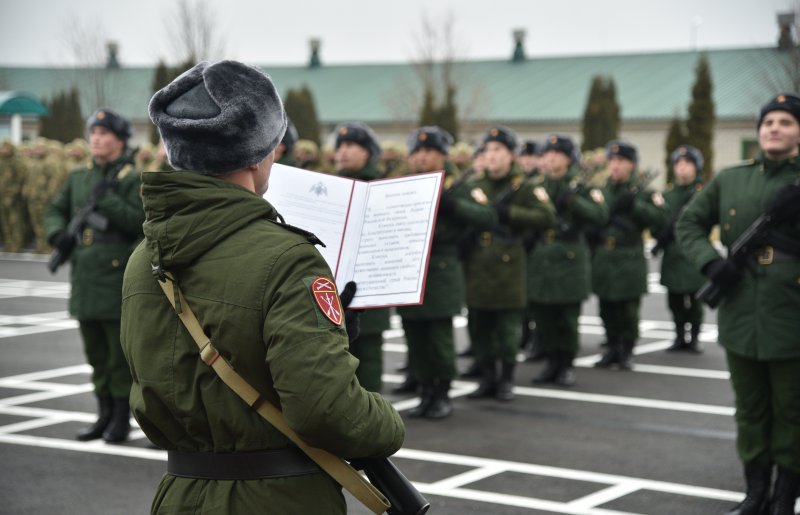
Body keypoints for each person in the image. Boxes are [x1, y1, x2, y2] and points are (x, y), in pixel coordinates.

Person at [121, 60, 405, 514]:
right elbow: (325, 409)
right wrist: (390, 424)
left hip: (179, 494)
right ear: (257, 154)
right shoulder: (288, 258)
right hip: (279, 497)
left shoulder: (144, 258)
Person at [676, 93, 800, 515]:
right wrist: (711, 264)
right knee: (750, 410)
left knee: (793, 412)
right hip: (741, 311)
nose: (775, 129)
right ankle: (755, 494)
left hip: (792, 313)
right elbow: (689, 223)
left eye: (785, 121)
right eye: (768, 122)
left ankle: (785, 499)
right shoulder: (730, 179)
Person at [44, 108, 144, 443]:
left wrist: (109, 201)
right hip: (86, 274)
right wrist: (59, 234)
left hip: (115, 276)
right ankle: (102, 414)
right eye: (93, 133)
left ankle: (120, 418)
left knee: (118, 356)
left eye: (104, 134)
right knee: (96, 354)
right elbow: (55, 209)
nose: (96, 139)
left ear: (119, 140)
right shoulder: (79, 176)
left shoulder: (132, 177)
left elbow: (139, 223)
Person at [396, 126, 497, 419]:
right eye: (417, 151)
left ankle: (441, 393)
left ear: (442, 155)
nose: (422, 157)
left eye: (429, 151)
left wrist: (453, 205)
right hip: (411, 267)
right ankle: (425, 389)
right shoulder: (406, 183)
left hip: (441, 267)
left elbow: (487, 216)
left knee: (438, 337)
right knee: (414, 333)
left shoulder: (460, 185)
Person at [463, 125, 555, 401]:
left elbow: (546, 217)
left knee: (506, 330)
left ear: (511, 155)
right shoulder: (474, 186)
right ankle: (487, 378)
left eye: (498, 150)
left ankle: (505, 380)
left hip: (508, 266)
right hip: (477, 264)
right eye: (487, 150)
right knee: (479, 326)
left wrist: (511, 213)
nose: (491, 156)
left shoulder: (524, 187)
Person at [529, 135, 608, 386]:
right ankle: (552, 362)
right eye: (547, 153)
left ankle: (566, 364)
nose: (551, 158)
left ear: (568, 158)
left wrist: (573, 201)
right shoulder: (536, 185)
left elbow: (600, 215)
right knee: (544, 316)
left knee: (566, 319)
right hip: (542, 257)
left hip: (569, 258)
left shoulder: (581, 187)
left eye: (557, 154)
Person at [590, 140, 662, 370]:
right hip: (604, 255)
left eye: (621, 161)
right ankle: (611, 348)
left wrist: (635, 207)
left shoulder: (643, 192)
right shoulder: (600, 191)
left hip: (628, 255)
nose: (615, 166)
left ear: (632, 165)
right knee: (606, 307)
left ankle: (627, 350)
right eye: (612, 160)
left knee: (628, 310)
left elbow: (662, 220)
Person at [333, 121, 391, 392]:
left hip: (370, 282)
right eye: (340, 146)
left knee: (367, 356)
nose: (342, 151)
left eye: (350, 146)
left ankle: (371, 420)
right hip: (333, 283)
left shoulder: (383, 188)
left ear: (367, 152)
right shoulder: (332, 185)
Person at [653, 144, 706, 353]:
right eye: (678, 163)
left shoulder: (703, 192)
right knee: (674, 300)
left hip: (693, 253)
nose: (682, 168)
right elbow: (659, 221)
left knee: (694, 301)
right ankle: (678, 336)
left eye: (687, 163)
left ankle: (693, 338)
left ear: (696, 167)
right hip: (673, 254)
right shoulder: (668, 194)